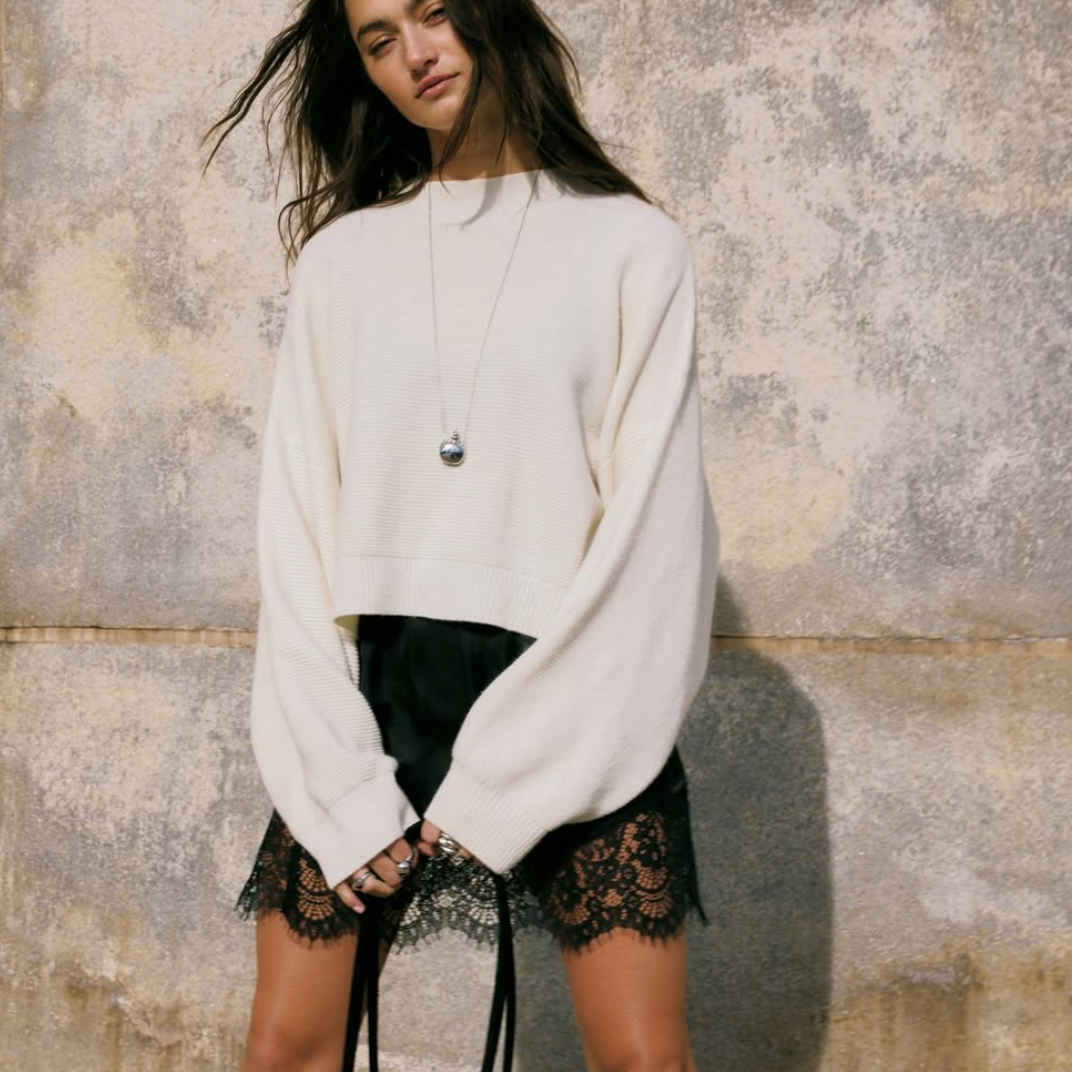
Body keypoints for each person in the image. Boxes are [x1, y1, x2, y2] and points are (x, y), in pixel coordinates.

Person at [202, 0, 719, 1069]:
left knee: (643, 1060)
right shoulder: (343, 261)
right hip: (376, 684)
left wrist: (507, 776)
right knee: (284, 1046)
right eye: (377, 39)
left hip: (575, 682)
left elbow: (658, 538)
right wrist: (335, 766)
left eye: (434, 12)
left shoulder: (634, 246)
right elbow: (296, 531)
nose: (414, 53)